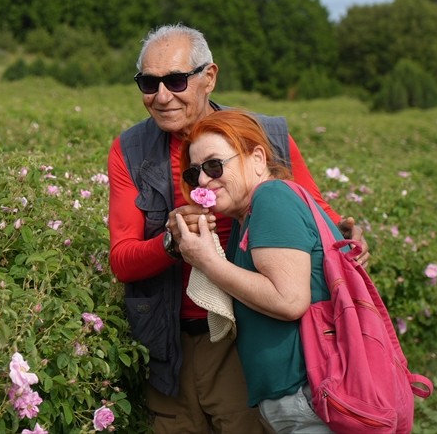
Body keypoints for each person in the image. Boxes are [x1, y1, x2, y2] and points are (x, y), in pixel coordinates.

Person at [107, 24, 364, 433]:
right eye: (149, 82)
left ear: (209, 78)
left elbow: (315, 212)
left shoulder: (263, 137)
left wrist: (344, 237)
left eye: (175, 81)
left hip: (248, 333)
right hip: (169, 339)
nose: (161, 96)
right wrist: (172, 242)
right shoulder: (130, 150)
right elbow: (122, 260)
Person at [174, 109, 338, 434]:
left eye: (214, 165)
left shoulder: (271, 198)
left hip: (308, 394)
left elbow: (289, 300)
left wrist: (207, 261)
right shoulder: (245, 218)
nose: (204, 180)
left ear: (258, 158)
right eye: (194, 174)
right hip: (298, 399)